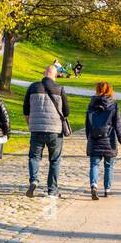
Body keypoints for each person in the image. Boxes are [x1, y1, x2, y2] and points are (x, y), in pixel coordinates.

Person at [23, 63, 70, 198]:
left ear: (44, 73)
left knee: (34, 156)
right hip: (55, 130)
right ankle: (52, 190)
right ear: (55, 75)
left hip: (36, 129)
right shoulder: (60, 89)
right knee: (54, 160)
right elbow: (66, 112)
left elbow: (26, 110)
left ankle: (34, 180)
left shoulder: (33, 87)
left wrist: (30, 123)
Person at [85, 81, 121, 199]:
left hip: (94, 138)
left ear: (97, 90)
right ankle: (107, 190)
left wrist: (89, 138)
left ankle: (94, 185)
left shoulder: (91, 104)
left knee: (94, 164)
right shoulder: (114, 105)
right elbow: (117, 124)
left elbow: (87, 124)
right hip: (109, 139)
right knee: (109, 165)